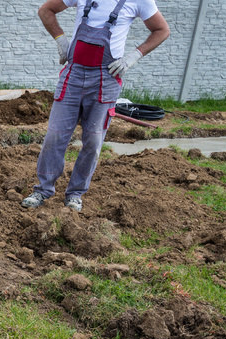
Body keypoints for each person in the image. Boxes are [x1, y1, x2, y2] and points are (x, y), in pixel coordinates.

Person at [22, 0, 169, 213]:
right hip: (72, 75)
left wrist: (133, 57)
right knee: (55, 135)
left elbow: (162, 29)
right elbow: (46, 10)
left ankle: (75, 194)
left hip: (106, 79)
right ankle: (43, 190)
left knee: (92, 140)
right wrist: (60, 39)